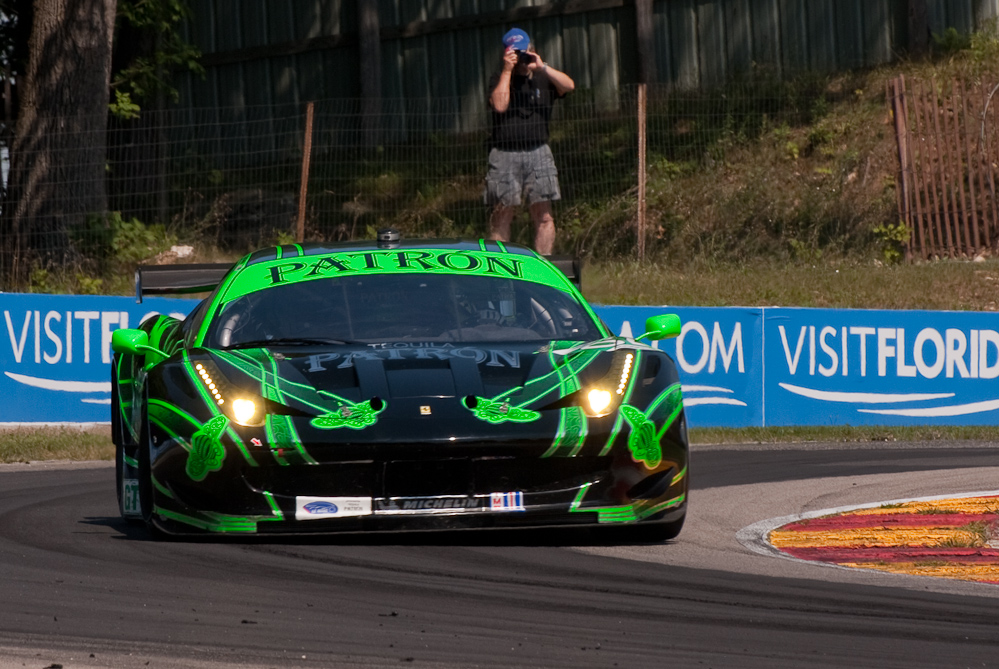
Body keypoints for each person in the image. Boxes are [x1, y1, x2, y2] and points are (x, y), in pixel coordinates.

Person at [484, 28, 574, 256]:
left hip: (539, 152)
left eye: (525, 53)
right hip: (505, 154)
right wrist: (507, 70)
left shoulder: (544, 78)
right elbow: (500, 106)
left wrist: (542, 67)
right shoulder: (499, 79)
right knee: (502, 215)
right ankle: (501, 271)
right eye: (517, 55)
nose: (523, 60)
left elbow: (569, 86)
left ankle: (544, 267)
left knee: (543, 215)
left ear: (533, 50)